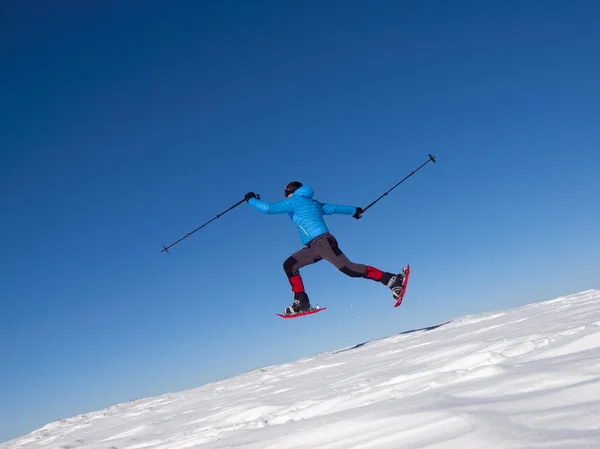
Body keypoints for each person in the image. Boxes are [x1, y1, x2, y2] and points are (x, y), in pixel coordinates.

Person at [245, 181, 406, 315]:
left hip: (322, 242)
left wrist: (251, 199)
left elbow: (268, 208)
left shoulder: (293, 201)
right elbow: (334, 208)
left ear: (291, 192)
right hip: (314, 246)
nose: (285, 196)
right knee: (290, 265)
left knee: (349, 269)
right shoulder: (312, 202)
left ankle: (392, 279)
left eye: (285, 193)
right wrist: (355, 211)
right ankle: (301, 302)